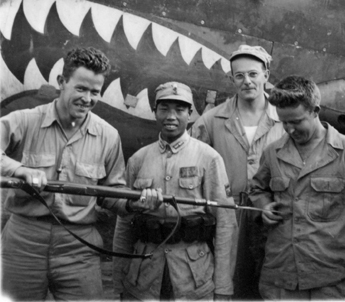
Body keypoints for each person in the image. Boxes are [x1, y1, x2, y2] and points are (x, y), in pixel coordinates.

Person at [0, 46, 161, 301]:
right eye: (81, 89)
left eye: (95, 92)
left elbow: (112, 194)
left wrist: (136, 203)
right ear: (61, 82)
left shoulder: (108, 136)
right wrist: (19, 169)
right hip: (23, 243)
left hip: (79, 248)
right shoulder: (25, 120)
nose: (88, 98)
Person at [249, 75, 345, 300]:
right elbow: (257, 189)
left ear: (315, 111)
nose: (290, 129)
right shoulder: (272, 153)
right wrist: (263, 206)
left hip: (331, 279)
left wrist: (340, 236)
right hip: (281, 277)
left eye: (297, 121)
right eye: (284, 123)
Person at [113, 81, 237, 300]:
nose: (171, 116)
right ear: (154, 112)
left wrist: (223, 287)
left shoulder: (208, 158)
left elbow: (226, 223)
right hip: (145, 272)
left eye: (179, 109)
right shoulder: (138, 159)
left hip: (193, 274)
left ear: (190, 114)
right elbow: (124, 222)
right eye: (164, 109)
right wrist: (118, 280)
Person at [191, 45, 285, 299]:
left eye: (253, 74)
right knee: (225, 285)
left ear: (266, 75)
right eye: (240, 76)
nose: (247, 81)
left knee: (269, 286)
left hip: (270, 217)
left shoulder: (285, 121)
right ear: (231, 79)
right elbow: (192, 166)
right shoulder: (211, 121)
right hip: (226, 218)